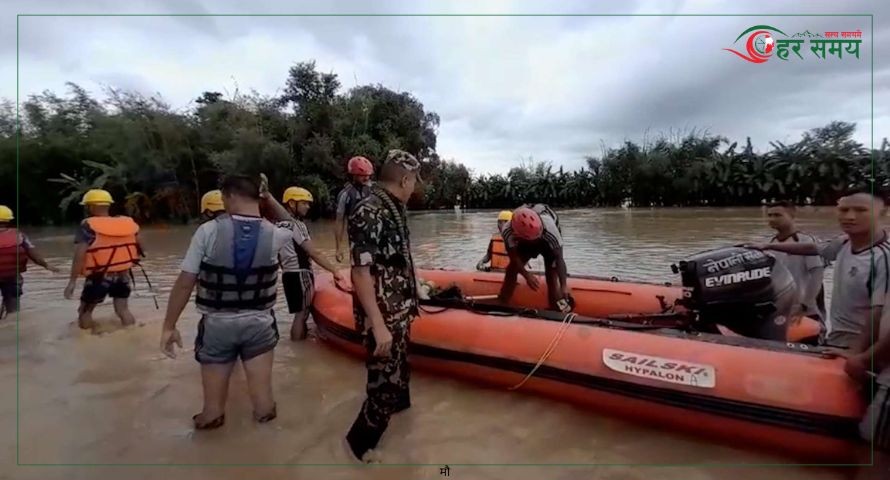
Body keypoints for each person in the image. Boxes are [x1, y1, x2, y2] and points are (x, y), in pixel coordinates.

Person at [160, 175, 293, 429]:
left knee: (211, 413)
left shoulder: (207, 231)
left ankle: (211, 431)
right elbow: (297, 228)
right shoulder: (277, 234)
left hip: (217, 324)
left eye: (223, 198)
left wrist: (169, 325)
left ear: (230, 196)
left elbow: (186, 281)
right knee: (264, 406)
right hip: (260, 323)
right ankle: (268, 444)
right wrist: (267, 197)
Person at [344, 149, 421, 463]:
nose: (415, 187)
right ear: (404, 179)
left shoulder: (395, 208)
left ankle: (405, 433)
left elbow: (396, 258)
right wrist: (377, 325)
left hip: (400, 309)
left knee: (401, 378)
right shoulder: (369, 210)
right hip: (383, 316)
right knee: (384, 389)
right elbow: (359, 271)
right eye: (414, 181)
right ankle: (355, 451)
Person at [747, 190, 890, 348]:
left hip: (864, 346)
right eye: (843, 210)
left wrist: (858, 353)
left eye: (861, 210)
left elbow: (879, 311)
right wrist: (768, 245)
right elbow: (816, 248)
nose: (850, 216)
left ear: (883, 212)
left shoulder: (883, 256)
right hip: (837, 338)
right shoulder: (843, 243)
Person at [64, 189, 142, 330]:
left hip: (99, 277)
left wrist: (72, 281)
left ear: (90, 207)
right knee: (123, 310)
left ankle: (88, 344)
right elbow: (140, 248)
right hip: (123, 275)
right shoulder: (126, 223)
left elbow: (79, 255)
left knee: (85, 311)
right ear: (108, 205)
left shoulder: (88, 225)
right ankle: (132, 335)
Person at [275, 186, 345, 341]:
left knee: (298, 314)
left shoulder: (278, 225)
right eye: (304, 203)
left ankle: (298, 347)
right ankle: (299, 347)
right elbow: (314, 253)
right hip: (300, 274)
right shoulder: (297, 225)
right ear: (292, 204)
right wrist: (335, 270)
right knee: (302, 315)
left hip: (288, 275)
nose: (308, 207)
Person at [498, 204, 572, 312]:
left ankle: (556, 306)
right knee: (511, 269)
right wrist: (527, 275)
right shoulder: (508, 231)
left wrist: (564, 286)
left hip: (545, 240)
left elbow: (559, 259)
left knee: (551, 275)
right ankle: (503, 300)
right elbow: (514, 258)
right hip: (524, 241)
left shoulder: (551, 230)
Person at [764, 200, 827, 322]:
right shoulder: (769, 244)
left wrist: (805, 304)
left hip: (806, 311)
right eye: (769, 215)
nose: (772, 219)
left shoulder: (806, 241)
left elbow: (817, 273)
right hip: (782, 310)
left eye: (777, 215)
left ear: (792, 216)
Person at [0, 205, 59, 317]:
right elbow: (33, 254)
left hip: (9, 276)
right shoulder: (19, 235)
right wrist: (47, 265)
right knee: (13, 313)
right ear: (8, 220)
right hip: (12, 277)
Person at [335, 156, 374, 263]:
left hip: (375, 237)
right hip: (357, 240)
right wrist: (338, 248)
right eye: (362, 176)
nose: (366, 178)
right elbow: (339, 221)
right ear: (354, 175)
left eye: (368, 176)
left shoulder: (374, 191)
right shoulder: (345, 195)